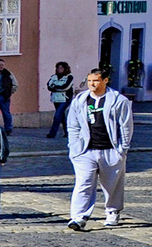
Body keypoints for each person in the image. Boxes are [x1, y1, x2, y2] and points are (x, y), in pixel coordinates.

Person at [66, 67, 133, 231]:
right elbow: (73, 126)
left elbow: (125, 126)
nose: (92, 84)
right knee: (83, 184)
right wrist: (74, 147)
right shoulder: (80, 100)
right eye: (89, 81)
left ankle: (112, 211)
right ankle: (78, 217)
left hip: (110, 150)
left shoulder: (119, 100)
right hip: (85, 151)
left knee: (112, 185)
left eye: (95, 81)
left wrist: (122, 149)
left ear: (105, 80)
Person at [46, 62, 76, 140]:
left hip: (65, 99)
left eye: (61, 68)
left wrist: (55, 87)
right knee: (61, 116)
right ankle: (68, 132)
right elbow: (49, 86)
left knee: (57, 115)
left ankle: (52, 133)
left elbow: (65, 87)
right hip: (56, 99)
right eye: (58, 68)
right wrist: (57, 88)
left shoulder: (69, 77)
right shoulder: (54, 77)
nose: (59, 69)